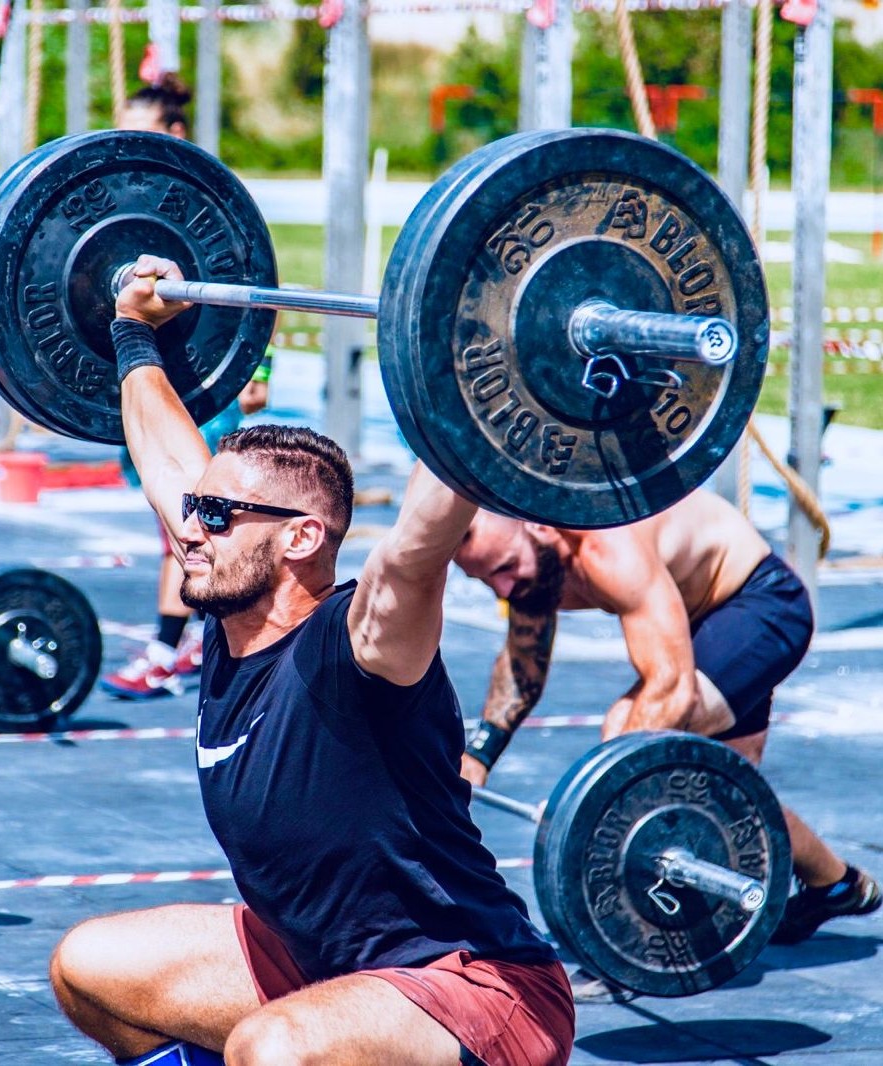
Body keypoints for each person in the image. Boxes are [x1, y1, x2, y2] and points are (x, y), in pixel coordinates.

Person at [48, 255, 576, 1066]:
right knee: (88, 968)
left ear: (300, 538)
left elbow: (414, 552)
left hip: (473, 986)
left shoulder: (353, 646)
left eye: (216, 515)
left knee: (273, 1048)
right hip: (317, 958)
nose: (188, 528)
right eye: (195, 509)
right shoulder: (231, 607)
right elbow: (165, 460)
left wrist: (483, 377)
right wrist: (132, 332)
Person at [453, 489, 881, 948]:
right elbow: (523, 671)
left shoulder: (605, 546)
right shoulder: (531, 566)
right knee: (726, 792)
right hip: (701, 625)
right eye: (486, 581)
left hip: (762, 606)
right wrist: (478, 757)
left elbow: (672, 688)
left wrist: (596, 813)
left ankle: (623, 917)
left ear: (538, 525)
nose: (503, 590)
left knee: (624, 727)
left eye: (505, 569)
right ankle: (837, 886)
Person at [100, 76, 273, 700]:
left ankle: (168, 652)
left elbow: (254, 293)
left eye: (143, 133)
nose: (132, 146)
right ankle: (199, 640)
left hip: (203, 388)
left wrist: (260, 372)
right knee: (177, 517)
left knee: (190, 519)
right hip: (151, 370)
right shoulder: (125, 198)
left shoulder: (208, 203)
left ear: (175, 133)